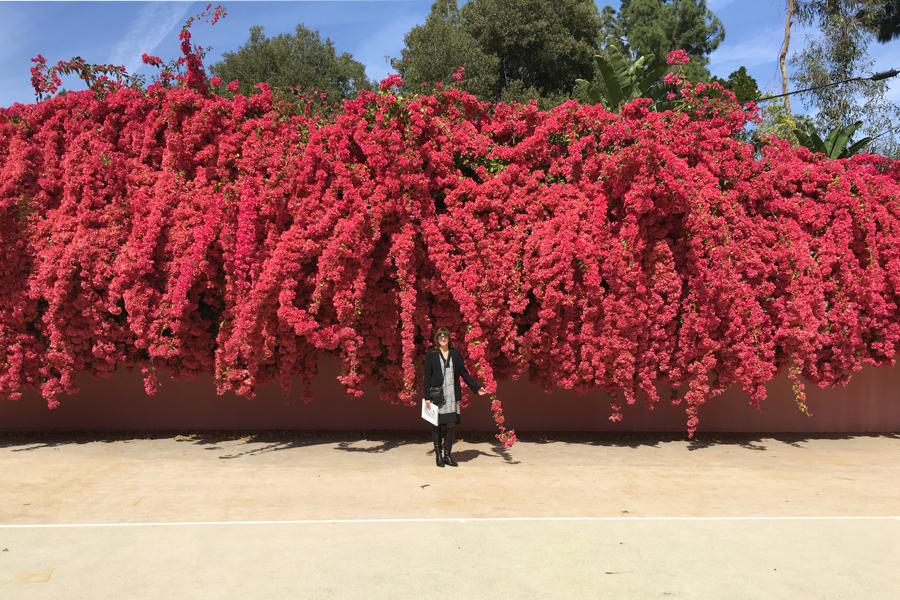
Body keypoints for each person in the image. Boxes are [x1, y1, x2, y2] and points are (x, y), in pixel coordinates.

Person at [423, 327, 487, 467]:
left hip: (452, 395)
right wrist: (427, 397)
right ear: (437, 339)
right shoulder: (431, 354)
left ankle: (447, 456)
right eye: (440, 337)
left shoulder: (455, 353)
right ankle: (438, 456)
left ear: (449, 338)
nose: (443, 339)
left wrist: (476, 388)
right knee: (437, 424)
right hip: (437, 396)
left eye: (445, 336)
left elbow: (464, 373)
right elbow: (427, 377)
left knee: (451, 424)